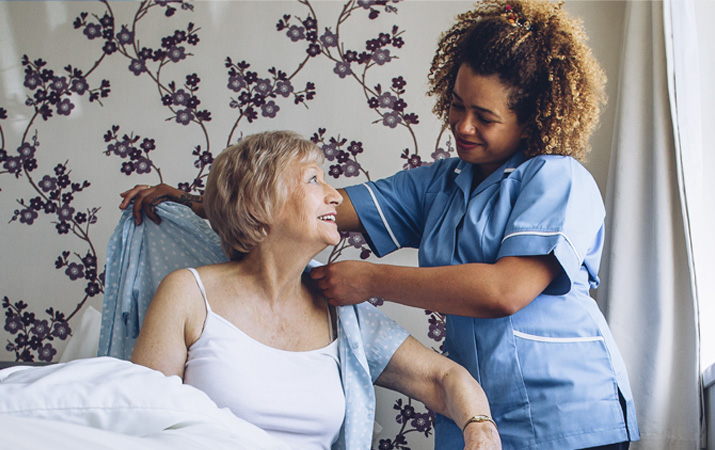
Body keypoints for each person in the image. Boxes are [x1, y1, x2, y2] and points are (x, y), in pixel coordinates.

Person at [121, 1, 639, 449]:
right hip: (482, 414)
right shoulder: (440, 185)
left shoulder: (557, 179)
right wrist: (196, 200)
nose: (462, 125)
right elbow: (295, 207)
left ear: (531, 117)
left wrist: (369, 280)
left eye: (484, 116)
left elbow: (504, 290)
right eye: (457, 106)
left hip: (568, 415)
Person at [128, 130, 501, 450]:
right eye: (313, 179)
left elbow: (444, 377)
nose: (335, 196)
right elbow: (139, 423)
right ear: (260, 201)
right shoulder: (188, 293)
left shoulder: (341, 312)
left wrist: (479, 426)